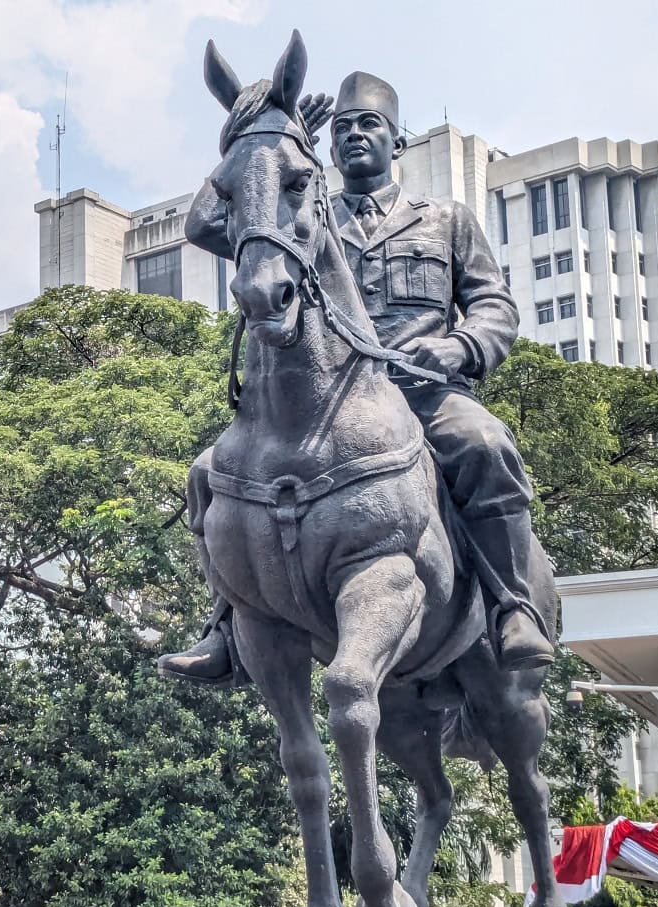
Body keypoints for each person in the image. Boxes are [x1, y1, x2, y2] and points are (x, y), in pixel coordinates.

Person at [161, 70, 554, 686]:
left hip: (424, 389)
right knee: (209, 473)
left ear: (398, 143)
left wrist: (460, 346)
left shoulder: (444, 219)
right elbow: (208, 224)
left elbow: (494, 306)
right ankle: (226, 628)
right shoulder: (305, 214)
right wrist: (265, 134)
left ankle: (513, 606)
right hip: (333, 399)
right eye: (341, 128)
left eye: (368, 125)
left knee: (484, 445)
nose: (352, 136)